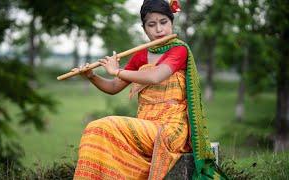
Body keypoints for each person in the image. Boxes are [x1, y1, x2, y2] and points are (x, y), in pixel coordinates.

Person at [73, 0, 227, 179]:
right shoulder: (140, 55)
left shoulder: (179, 50)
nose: (159, 30)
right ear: (145, 29)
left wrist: (117, 70)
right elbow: (114, 86)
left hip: (171, 129)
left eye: (163, 22)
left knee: (101, 126)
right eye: (152, 25)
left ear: (172, 23)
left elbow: (155, 76)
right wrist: (91, 76)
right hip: (146, 124)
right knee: (95, 129)